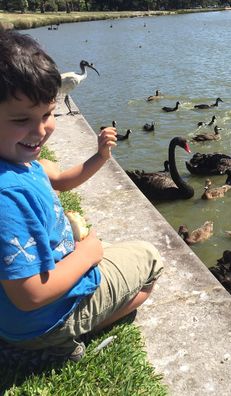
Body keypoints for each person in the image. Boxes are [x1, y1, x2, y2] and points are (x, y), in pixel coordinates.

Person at [0, 30, 163, 363]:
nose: (40, 130)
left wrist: (100, 157)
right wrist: (87, 254)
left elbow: (60, 178)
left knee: (116, 254)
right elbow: (30, 295)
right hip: (38, 317)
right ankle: (57, 343)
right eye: (21, 119)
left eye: (47, 114)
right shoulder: (6, 195)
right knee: (149, 262)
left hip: (23, 311)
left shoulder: (17, 161)